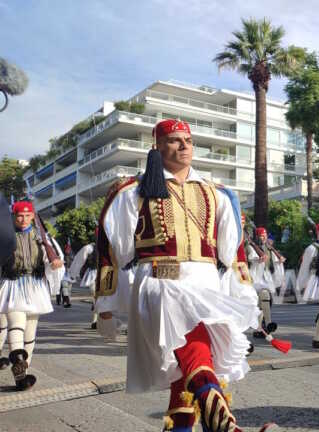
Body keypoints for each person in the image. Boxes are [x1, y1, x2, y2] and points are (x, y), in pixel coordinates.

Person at [94, 119, 276, 432]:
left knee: (188, 368)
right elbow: (109, 245)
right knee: (195, 350)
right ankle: (226, 427)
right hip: (161, 284)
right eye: (175, 140)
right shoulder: (133, 191)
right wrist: (106, 303)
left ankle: (179, 426)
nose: (184, 147)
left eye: (188, 141)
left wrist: (244, 293)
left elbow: (232, 252)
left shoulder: (215, 193)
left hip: (206, 286)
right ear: (157, 146)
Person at [0, 201, 63, 390]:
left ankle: (22, 374)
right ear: (13, 215)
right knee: (16, 323)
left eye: (28, 216)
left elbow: (49, 255)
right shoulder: (5, 236)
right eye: (20, 215)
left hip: (34, 285)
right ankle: (18, 360)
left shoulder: (40, 236)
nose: (24, 219)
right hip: (12, 284)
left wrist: (55, 263)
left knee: (30, 331)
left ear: (33, 216)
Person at [247, 226, 286, 337]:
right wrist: (257, 259)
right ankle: (268, 323)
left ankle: (259, 329)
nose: (263, 237)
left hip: (266, 277)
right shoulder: (251, 247)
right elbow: (250, 257)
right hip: (255, 276)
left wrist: (280, 260)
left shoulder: (269, 248)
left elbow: (276, 260)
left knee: (262, 304)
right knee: (264, 297)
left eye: (264, 235)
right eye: (260, 235)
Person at [69, 241, 98, 329]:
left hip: (107, 273)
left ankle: (97, 319)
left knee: (102, 298)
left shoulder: (112, 244)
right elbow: (79, 260)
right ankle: (95, 320)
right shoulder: (90, 248)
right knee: (95, 295)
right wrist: (73, 274)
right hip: (93, 274)